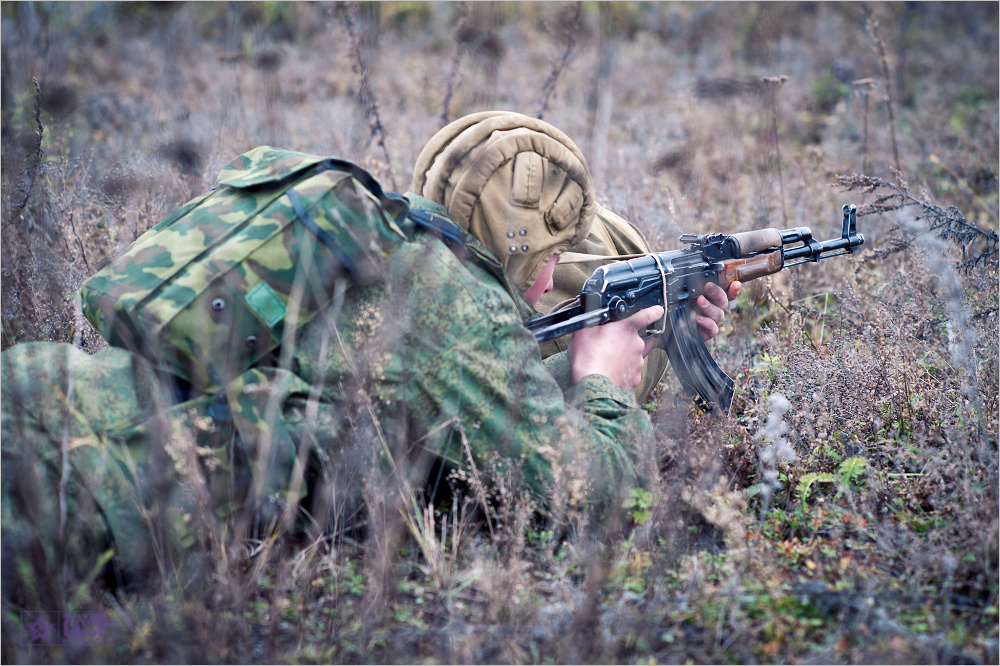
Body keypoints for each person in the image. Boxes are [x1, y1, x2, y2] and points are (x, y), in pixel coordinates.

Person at [0, 111, 738, 595]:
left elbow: (468, 406)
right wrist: (606, 380)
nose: (555, 277)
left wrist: (643, 343)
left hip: (44, 396)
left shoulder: (385, 245)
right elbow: (589, 496)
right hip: (80, 494)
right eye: (557, 249)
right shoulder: (455, 304)